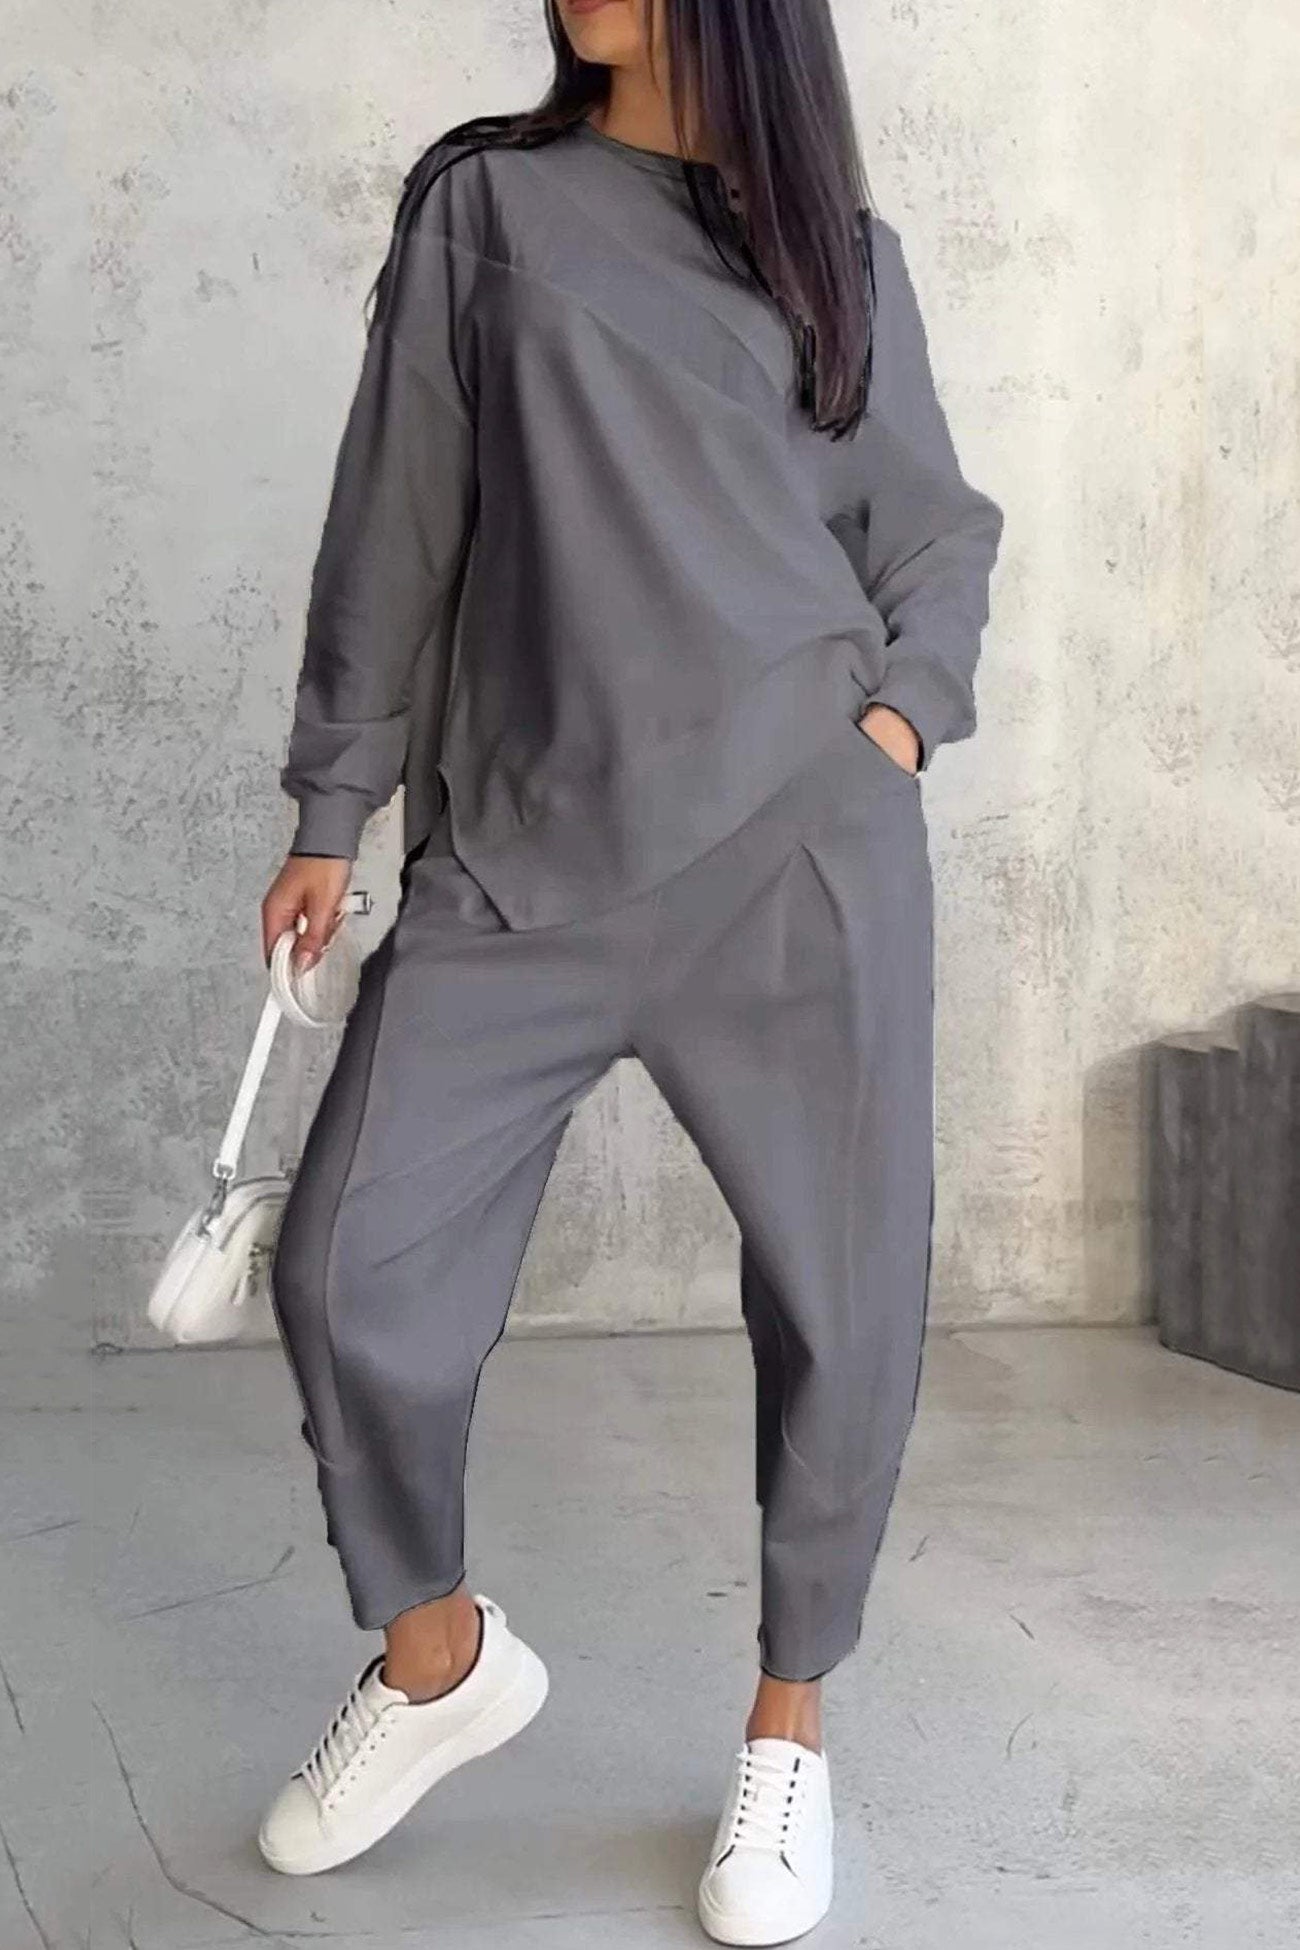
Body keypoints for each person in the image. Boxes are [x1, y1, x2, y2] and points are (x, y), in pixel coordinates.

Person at [256, 0, 1003, 1940]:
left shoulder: (834, 257)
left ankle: (786, 1729)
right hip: (523, 856)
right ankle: (437, 1659)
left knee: (842, 1302)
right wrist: (335, 804)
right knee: (345, 1267)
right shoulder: (486, 211)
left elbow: (931, 533)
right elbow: (395, 520)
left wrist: (894, 731)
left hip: (796, 855)